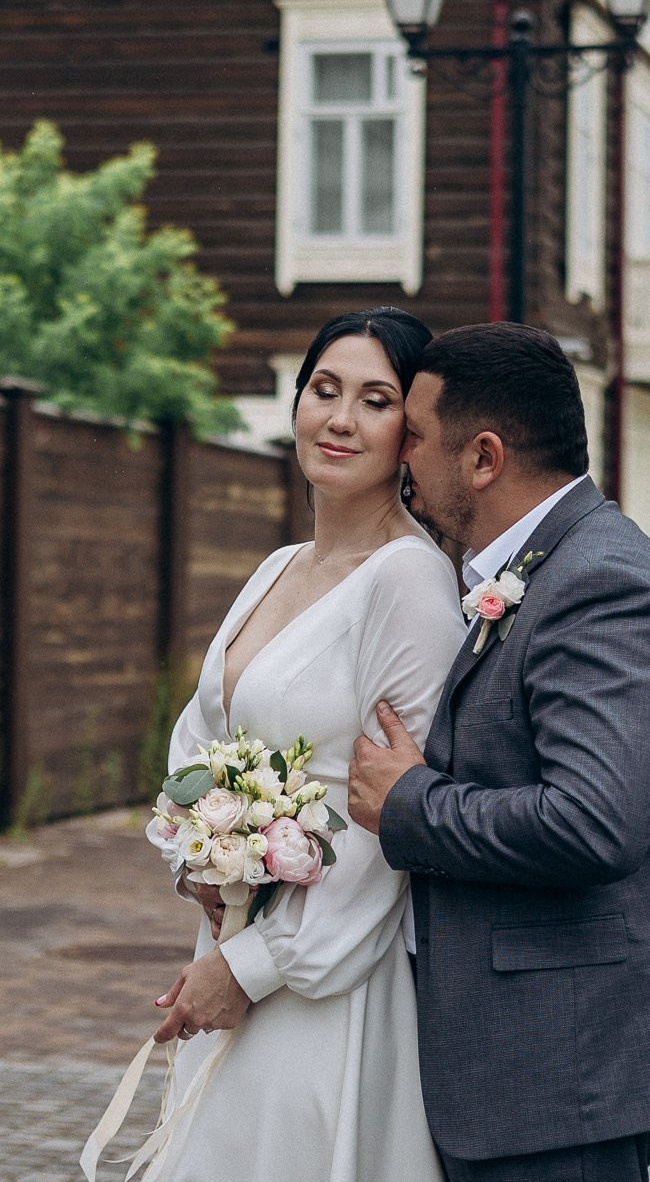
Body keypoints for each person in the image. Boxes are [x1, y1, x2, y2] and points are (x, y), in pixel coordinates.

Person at [349, 323, 650, 1182]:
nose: (397, 455)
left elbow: (593, 824)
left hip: (563, 1073)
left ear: (482, 458)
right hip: (525, 1066)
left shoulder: (602, 583)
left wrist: (410, 802)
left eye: (412, 433)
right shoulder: (538, 567)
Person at [140, 307, 462, 1182]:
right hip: (237, 929)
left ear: (411, 434)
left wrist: (252, 967)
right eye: (324, 390)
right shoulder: (276, 567)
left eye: (374, 399)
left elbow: (392, 818)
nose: (341, 419)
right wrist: (196, 858)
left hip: (328, 977)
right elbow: (200, 740)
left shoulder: (411, 582)